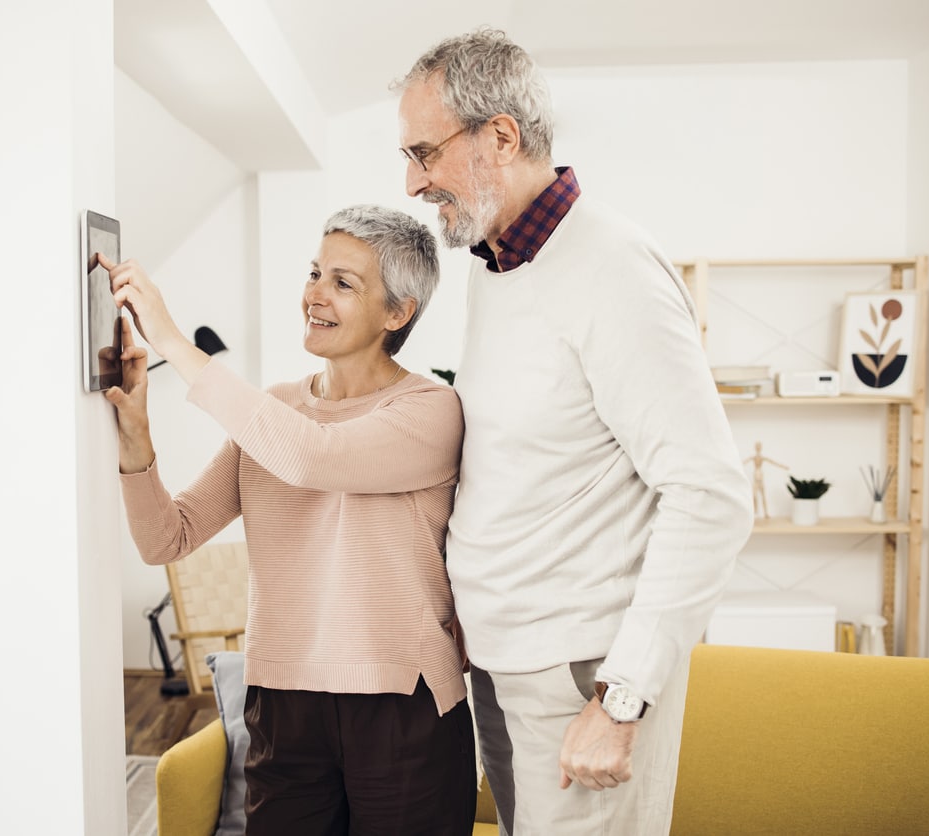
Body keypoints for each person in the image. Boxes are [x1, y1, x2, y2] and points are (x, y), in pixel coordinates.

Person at [394, 29, 755, 835]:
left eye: (424, 153)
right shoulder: (499, 263)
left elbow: (710, 495)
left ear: (500, 136)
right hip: (500, 664)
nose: (413, 182)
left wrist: (621, 697)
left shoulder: (614, 267)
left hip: (582, 680)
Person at [101, 205, 477, 835]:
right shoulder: (272, 412)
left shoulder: (431, 411)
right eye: (314, 272)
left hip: (401, 706)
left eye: (343, 282)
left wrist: (170, 339)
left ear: (397, 313)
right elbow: (168, 537)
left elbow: (313, 457)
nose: (314, 295)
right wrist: (136, 430)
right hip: (282, 704)